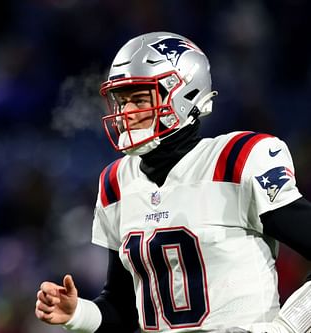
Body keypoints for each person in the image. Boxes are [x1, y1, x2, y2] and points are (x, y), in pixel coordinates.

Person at [34, 31, 311, 333]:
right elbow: (123, 308)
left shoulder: (235, 161)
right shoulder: (116, 183)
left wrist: (288, 326)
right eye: (121, 101)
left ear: (185, 96)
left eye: (139, 99)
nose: (126, 113)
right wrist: (77, 313)